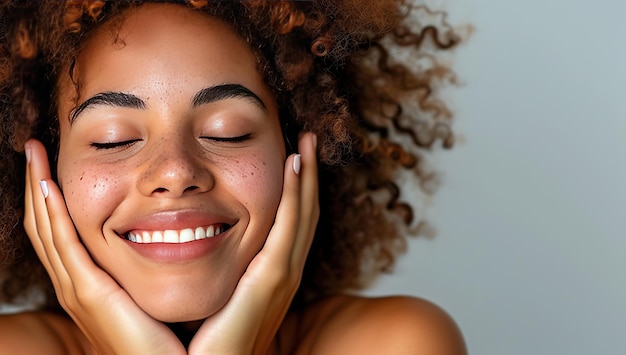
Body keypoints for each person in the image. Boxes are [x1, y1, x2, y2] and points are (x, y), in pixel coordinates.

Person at [0, 0, 466, 353]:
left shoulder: (398, 341)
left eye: (229, 133)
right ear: (45, 172)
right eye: (113, 139)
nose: (176, 171)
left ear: (299, 148)